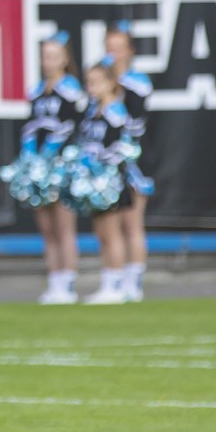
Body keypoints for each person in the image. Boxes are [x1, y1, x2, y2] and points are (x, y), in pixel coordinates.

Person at [22, 33, 84, 303]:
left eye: (53, 56)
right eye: (45, 56)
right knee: (47, 229)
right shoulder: (37, 90)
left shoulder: (71, 89)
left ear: (65, 59)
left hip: (61, 166)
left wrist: (52, 152)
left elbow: (73, 126)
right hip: (38, 167)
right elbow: (30, 126)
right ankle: (54, 282)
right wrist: (29, 154)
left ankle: (68, 284)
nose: (48, 61)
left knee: (64, 226)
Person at [73, 61, 135, 304]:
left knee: (112, 233)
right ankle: (108, 283)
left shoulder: (116, 111)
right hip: (93, 181)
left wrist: (100, 161)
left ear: (111, 83)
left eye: (97, 82)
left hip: (110, 181)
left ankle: (117, 286)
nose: (92, 88)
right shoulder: (93, 111)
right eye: (89, 83)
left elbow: (122, 147)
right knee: (101, 233)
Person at [105, 23, 151, 302]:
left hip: (133, 161)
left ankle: (134, 283)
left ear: (130, 51)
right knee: (112, 227)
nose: (113, 54)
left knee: (132, 224)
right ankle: (116, 280)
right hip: (109, 164)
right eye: (109, 48)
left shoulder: (137, 82)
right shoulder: (102, 82)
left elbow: (134, 124)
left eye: (118, 48)